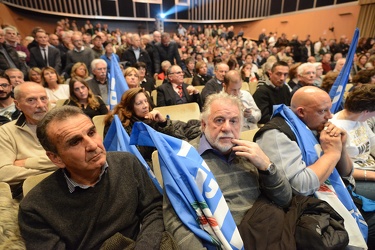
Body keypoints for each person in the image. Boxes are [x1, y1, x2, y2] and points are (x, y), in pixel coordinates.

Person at [18, 106, 165, 249]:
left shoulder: (126, 162)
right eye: (75, 141)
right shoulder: (34, 208)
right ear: (56, 158)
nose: (92, 145)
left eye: (91, 132)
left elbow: (153, 209)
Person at [164, 92, 292, 248]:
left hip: (268, 233)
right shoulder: (185, 159)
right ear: (204, 125)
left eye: (233, 121)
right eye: (219, 120)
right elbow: (176, 220)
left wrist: (267, 166)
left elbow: (285, 199)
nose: (227, 128)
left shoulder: (252, 153)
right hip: (220, 241)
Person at [254, 86, 374, 248]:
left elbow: (347, 173)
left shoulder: (315, 126)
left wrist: (341, 146)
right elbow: (301, 187)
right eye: (322, 111)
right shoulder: (277, 135)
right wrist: (331, 154)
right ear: (301, 112)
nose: (330, 116)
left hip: (335, 197)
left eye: (330, 109)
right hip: (306, 213)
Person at [0, 82, 57, 198]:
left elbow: (73, 158)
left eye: (43, 98)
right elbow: (3, 173)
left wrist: (26, 163)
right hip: (30, 194)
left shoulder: (63, 125)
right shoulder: (6, 132)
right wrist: (56, 172)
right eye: (31, 100)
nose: (41, 105)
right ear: (17, 104)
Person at [104, 87, 175, 162]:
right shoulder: (118, 124)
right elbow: (135, 155)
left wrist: (163, 123)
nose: (145, 106)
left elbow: (171, 144)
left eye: (146, 101)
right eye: (139, 103)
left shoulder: (151, 118)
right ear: (129, 107)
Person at [330, 85, 375, 200]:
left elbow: (373, 143)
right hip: (354, 178)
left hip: (369, 166)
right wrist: (371, 175)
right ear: (366, 111)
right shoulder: (335, 129)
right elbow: (342, 171)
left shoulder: (359, 119)